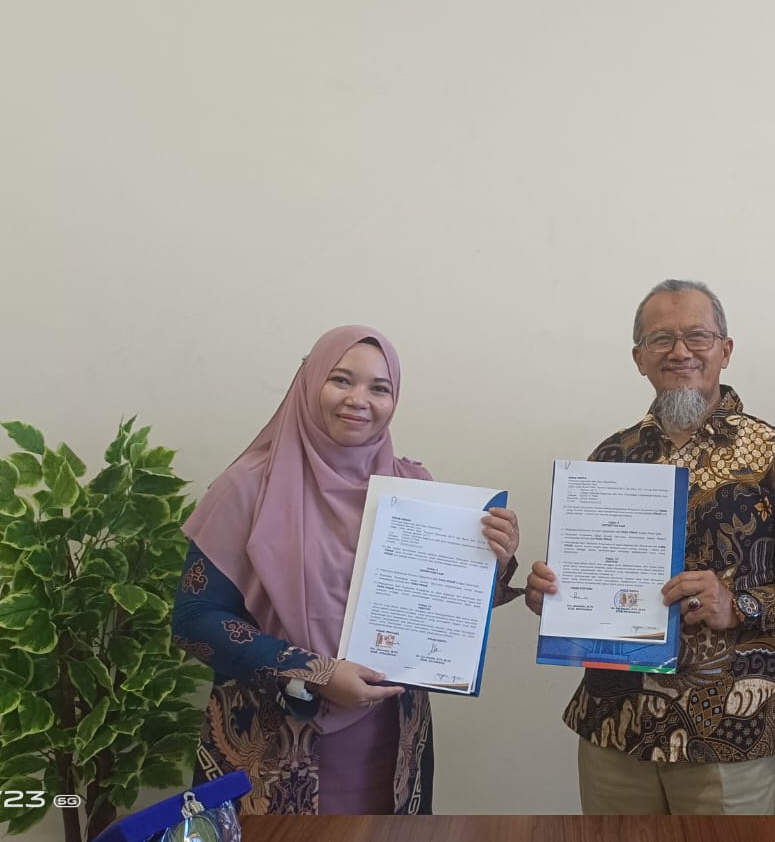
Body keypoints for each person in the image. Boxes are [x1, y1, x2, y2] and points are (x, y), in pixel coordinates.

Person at [524, 279, 775, 815]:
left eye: (697, 336)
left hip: (729, 733)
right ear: (639, 358)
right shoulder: (609, 458)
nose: (679, 352)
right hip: (615, 728)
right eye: (661, 339)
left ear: (725, 350)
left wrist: (739, 605)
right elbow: (587, 573)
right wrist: (555, 596)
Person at [171, 325, 522, 815]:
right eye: (341, 380)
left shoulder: (414, 490)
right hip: (270, 750)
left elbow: (435, 607)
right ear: (310, 381)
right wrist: (315, 672)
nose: (359, 400)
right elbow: (195, 621)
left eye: (380, 388)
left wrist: (494, 561)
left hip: (391, 743)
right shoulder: (247, 487)